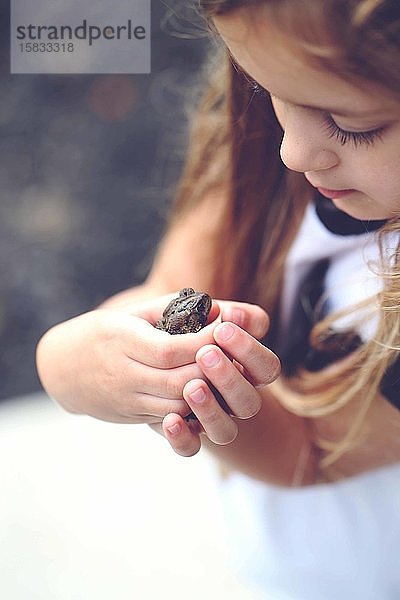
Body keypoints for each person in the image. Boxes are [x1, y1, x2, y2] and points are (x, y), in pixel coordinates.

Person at [36, 1, 400, 597]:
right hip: (282, 563)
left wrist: (212, 398)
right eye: (268, 88)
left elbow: (307, 453)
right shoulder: (265, 149)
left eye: (352, 125)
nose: (296, 153)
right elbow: (161, 296)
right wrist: (78, 359)